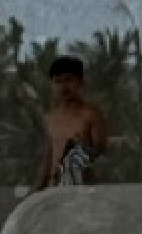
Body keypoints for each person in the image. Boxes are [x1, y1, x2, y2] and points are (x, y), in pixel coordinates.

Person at [34, 56, 109, 189]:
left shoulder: (91, 115)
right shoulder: (50, 118)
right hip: (54, 187)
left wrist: (84, 149)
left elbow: (101, 153)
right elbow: (48, 156)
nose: (63, 87)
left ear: (81, 82)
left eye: (68, 80)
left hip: (82, 188)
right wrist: (38, 187)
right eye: (58, 81)